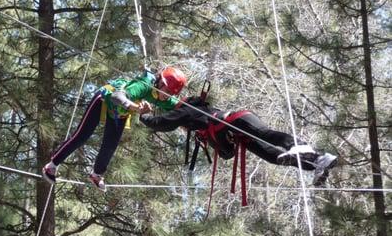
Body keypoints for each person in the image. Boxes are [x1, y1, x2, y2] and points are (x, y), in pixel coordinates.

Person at [41, 67, 187, 191]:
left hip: (120, 112)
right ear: (160, 82)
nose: (167, 96)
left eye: (171, 93)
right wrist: (136, 108)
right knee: (82, 135)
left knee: (110, 145)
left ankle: (96, 174)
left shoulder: (162, 96)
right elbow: (117, 96)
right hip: (105, 99)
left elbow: (180, 106)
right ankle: (51, 166)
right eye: (167, 91)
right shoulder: (143, 85)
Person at [139, 96, 338, 186]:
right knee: (273, 156)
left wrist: (143, 116)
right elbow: (227, 153)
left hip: (238, 120)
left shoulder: (188, 111)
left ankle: (307, 149)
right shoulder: (204, 127)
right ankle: (317, 164)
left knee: (265, 134)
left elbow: (162, 123)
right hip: (238, 134)